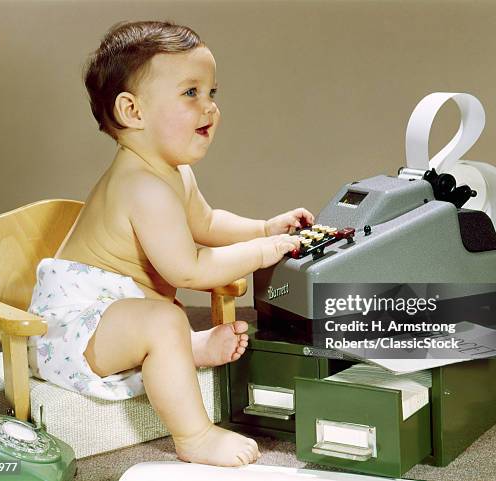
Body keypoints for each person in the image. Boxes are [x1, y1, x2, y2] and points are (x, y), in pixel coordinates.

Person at [27, 20, 314, 467]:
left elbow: (207, 221)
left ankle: (185, 348)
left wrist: (263, 227)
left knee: (162, 318)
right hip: (71, 333)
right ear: (132, 111)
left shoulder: (174, 172)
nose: (210, 108)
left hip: (117, 319)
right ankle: (194, 436)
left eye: (212, 93)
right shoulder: (142, 184)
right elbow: (190, 270)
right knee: (161, 319)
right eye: (190, 93)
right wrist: (264, 253)